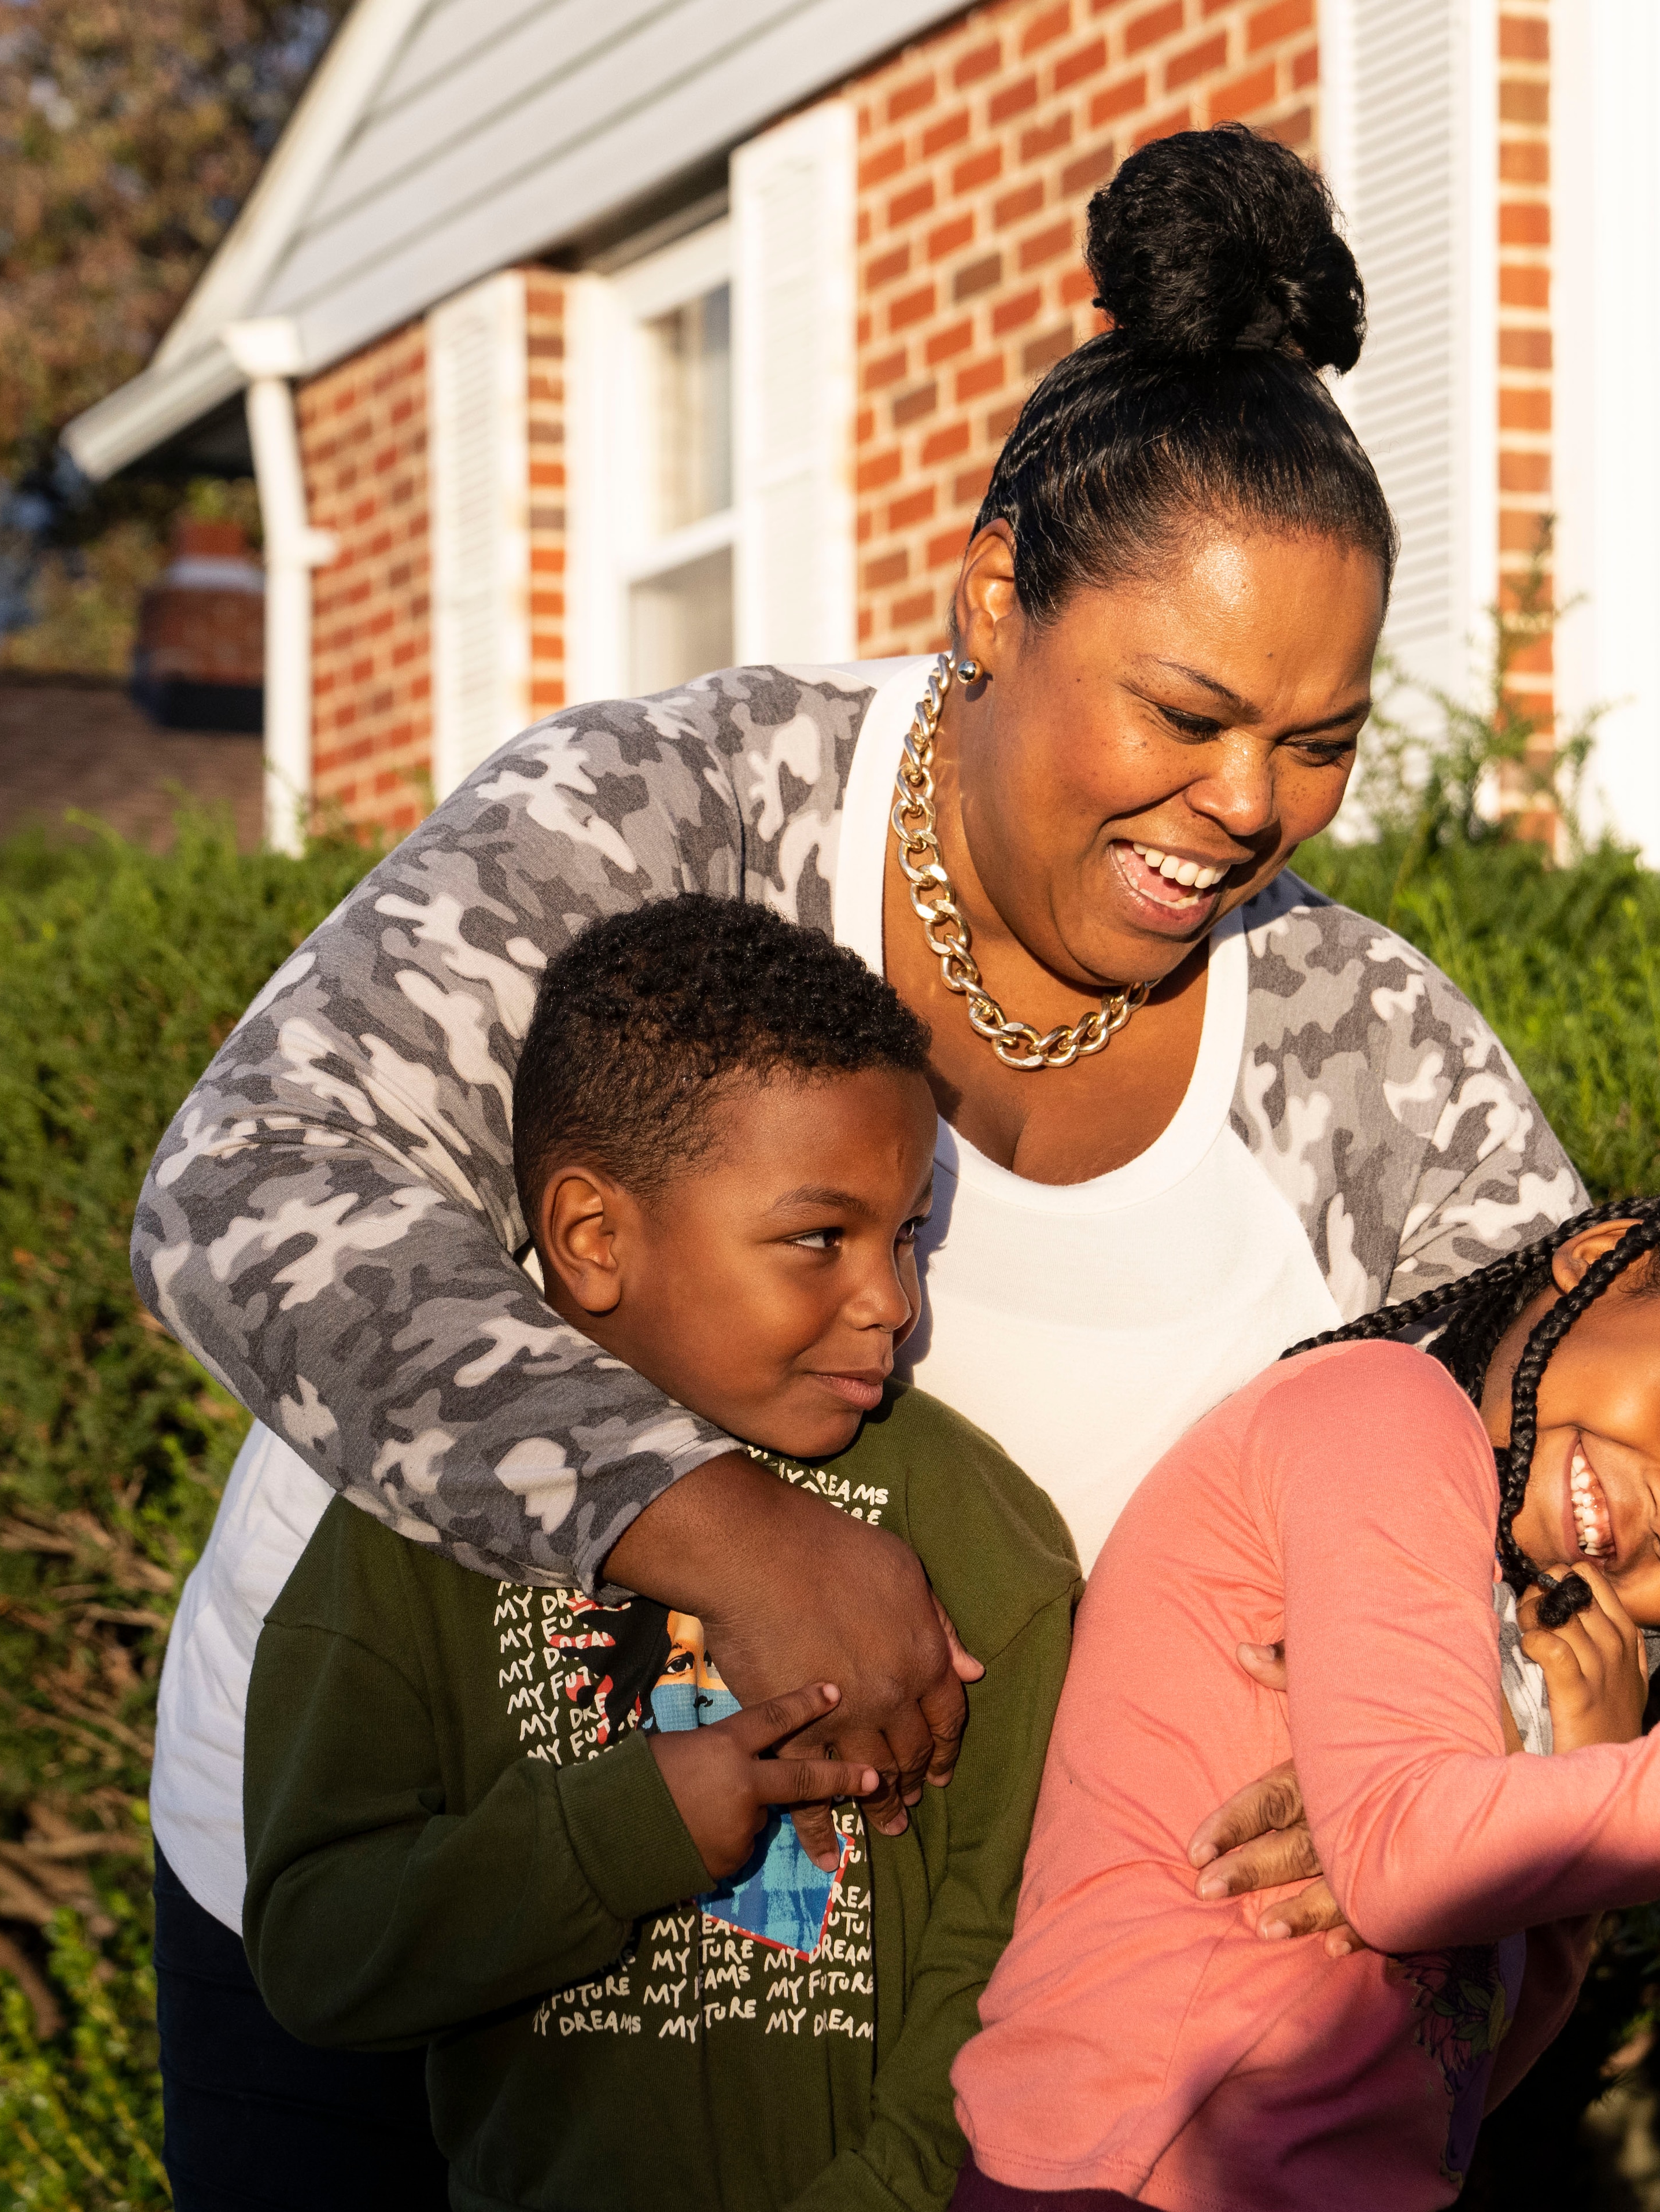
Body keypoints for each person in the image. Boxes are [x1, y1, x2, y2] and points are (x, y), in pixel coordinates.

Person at [137, 123, 1584, 2199]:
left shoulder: (1362, 1056)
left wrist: (1471, 1749)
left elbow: (1591, 1483)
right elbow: (249, 1185)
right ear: (994, 588)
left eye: (1323, 738)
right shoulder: (673, 808)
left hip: (934, 2032)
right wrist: (718, 1521)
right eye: (1183, 711)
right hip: (413, 1898)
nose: (1249, 803)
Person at [238, 898, 1080, 2209]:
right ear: (592, 1237)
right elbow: (320, 1949)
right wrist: (638, 1825)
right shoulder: (418, 1530)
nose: (892, 1301)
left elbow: (1010, 1955)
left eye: (908, 1232)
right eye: (820, 1236)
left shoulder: (978, 1532)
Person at [949, 1190, 1660, 2209]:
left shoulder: (1515, 1647)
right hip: (1126, 2171)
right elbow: (1406, 1861)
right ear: (1605, 1262)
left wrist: (1577, 1799)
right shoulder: (1384, 1414)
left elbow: (1460, 2074)